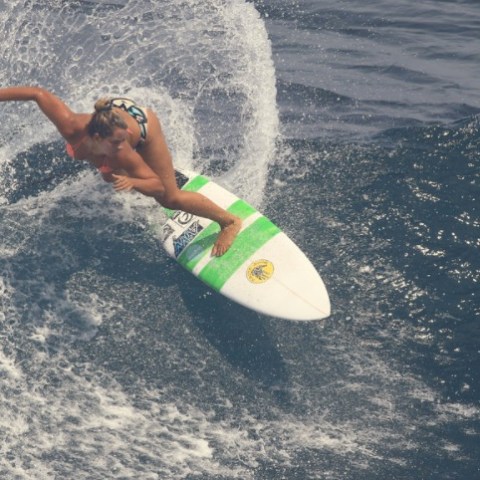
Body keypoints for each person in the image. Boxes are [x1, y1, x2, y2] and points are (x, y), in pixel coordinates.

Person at [0, 86, 241, 256]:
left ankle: (229, 222)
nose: (122, 144)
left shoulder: (122, 149)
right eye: (117, 142)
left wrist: (135, 183)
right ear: (96, 137)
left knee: (170, 197)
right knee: (109, 174)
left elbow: (155, 185)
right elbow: (36, 94)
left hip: (144, 125)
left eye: (124, 142)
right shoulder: (71, 126)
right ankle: (158, 167)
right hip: (113, 115)